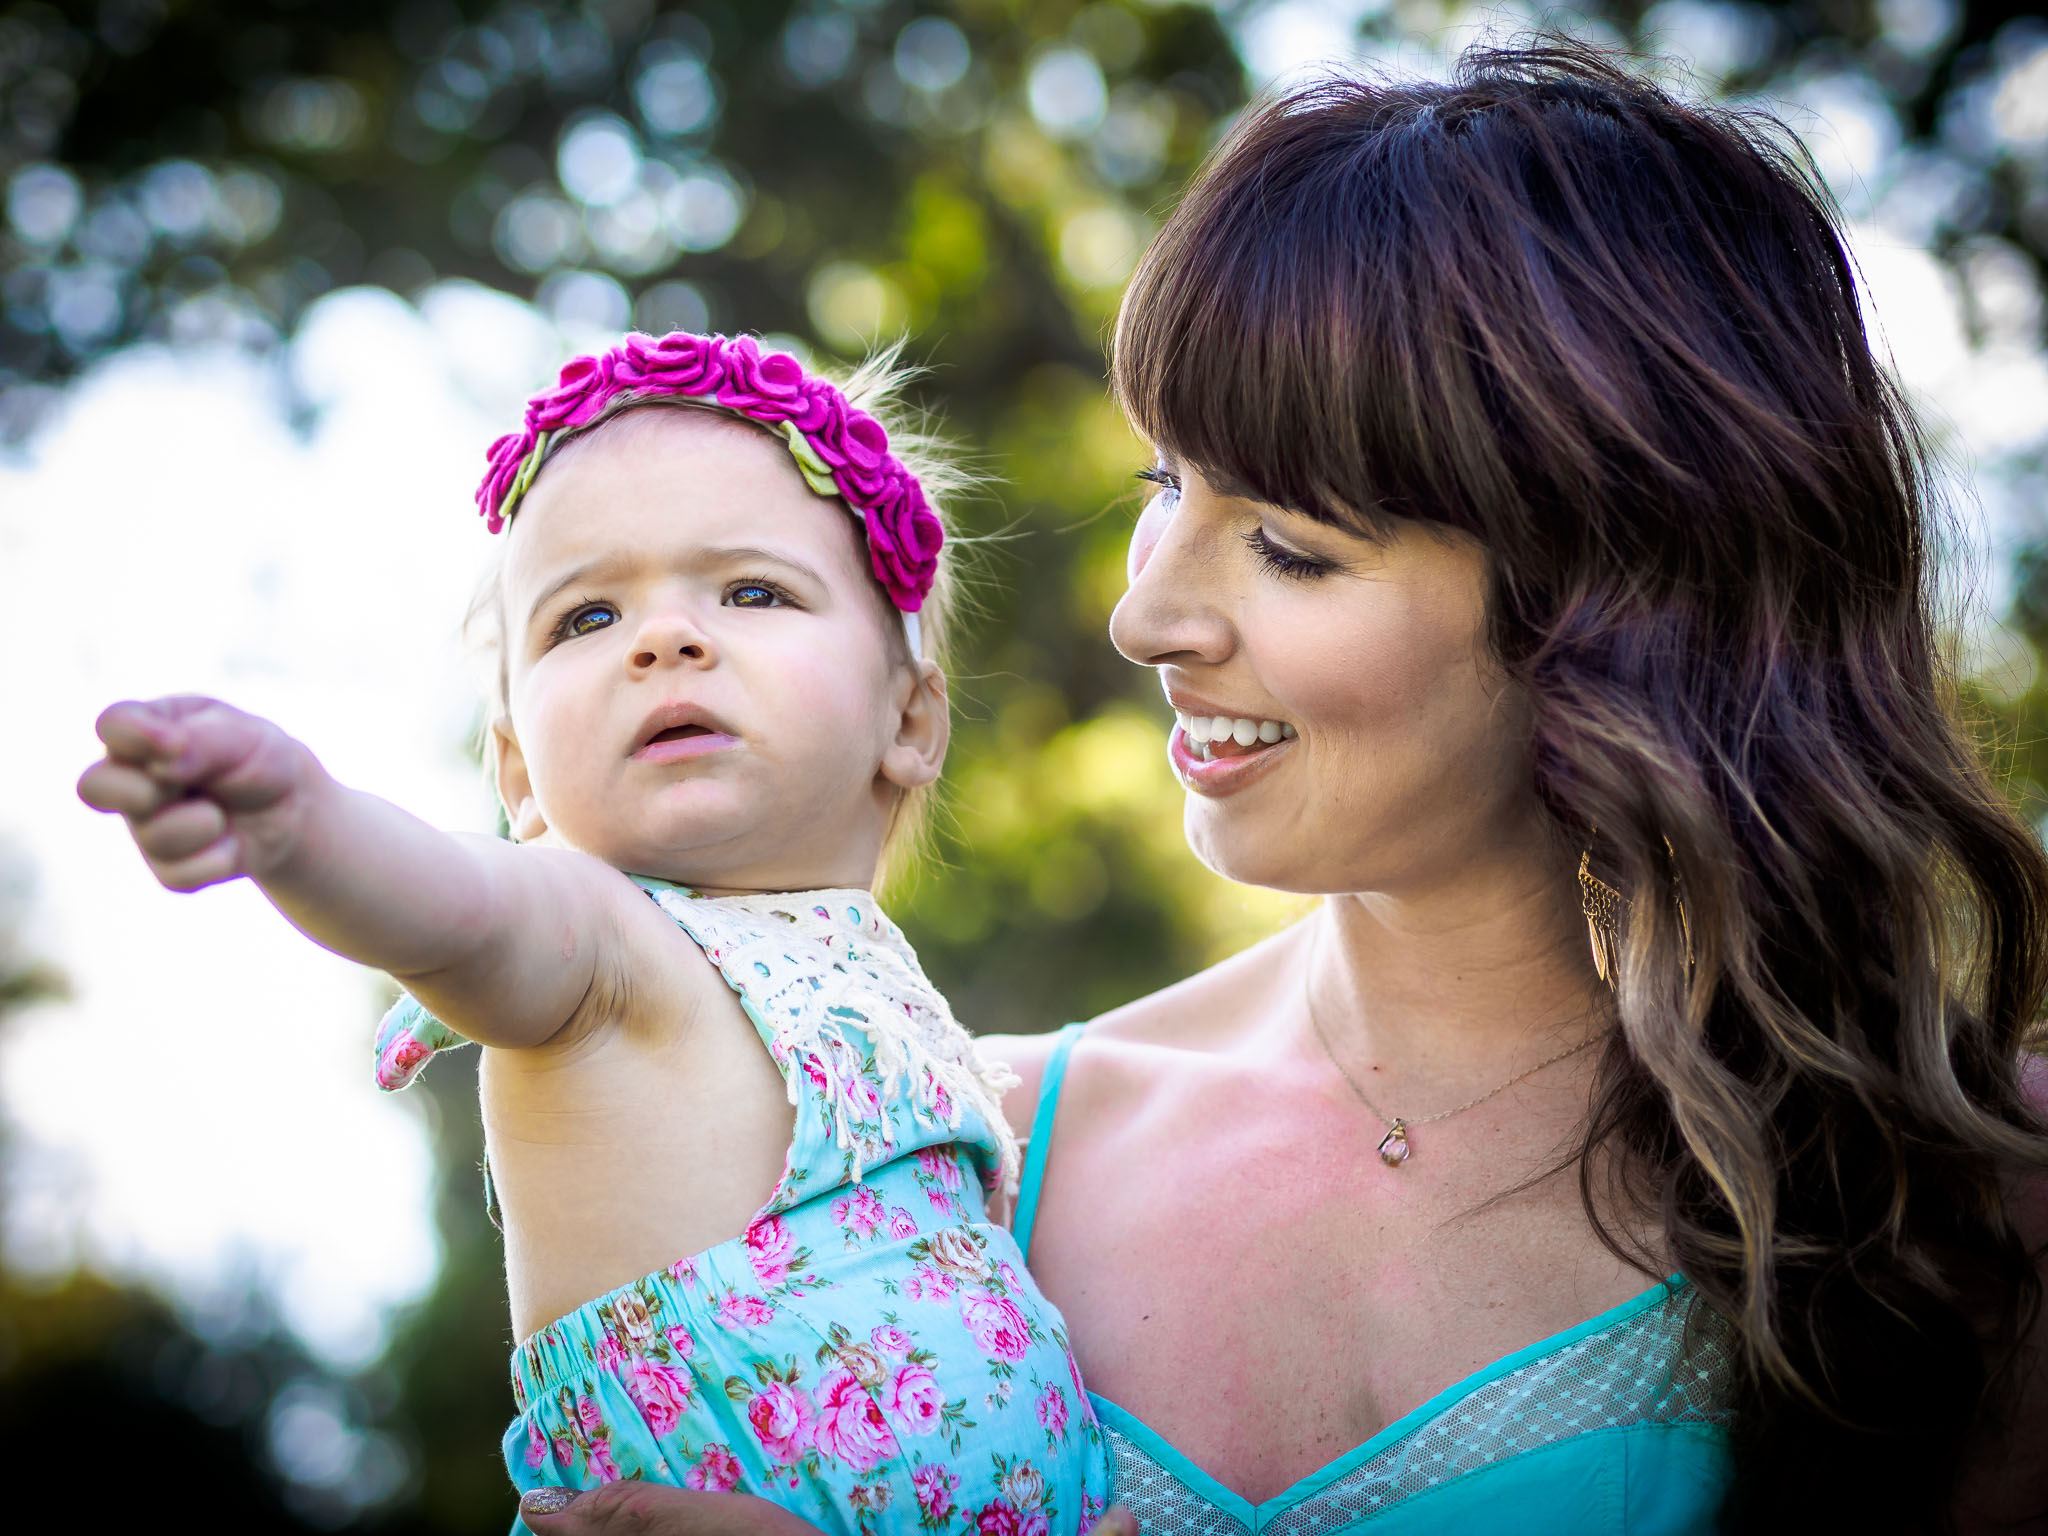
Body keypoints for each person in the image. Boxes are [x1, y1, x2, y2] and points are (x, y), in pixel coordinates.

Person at [508, 43, 2048, 1536]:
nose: (1146, 618)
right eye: (1165, 484)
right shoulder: (954, 1157)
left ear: (1617, 599)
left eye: (1291, 548)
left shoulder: (1974, 1205)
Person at [75, 332, 1112, 1532]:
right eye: (586, 616)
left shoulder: (904, 1014)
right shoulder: (604, 941)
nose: (662, 638)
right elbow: (460, 912)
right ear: (517, 767)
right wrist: (303, 824)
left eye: (751, 592)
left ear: (910, 720)